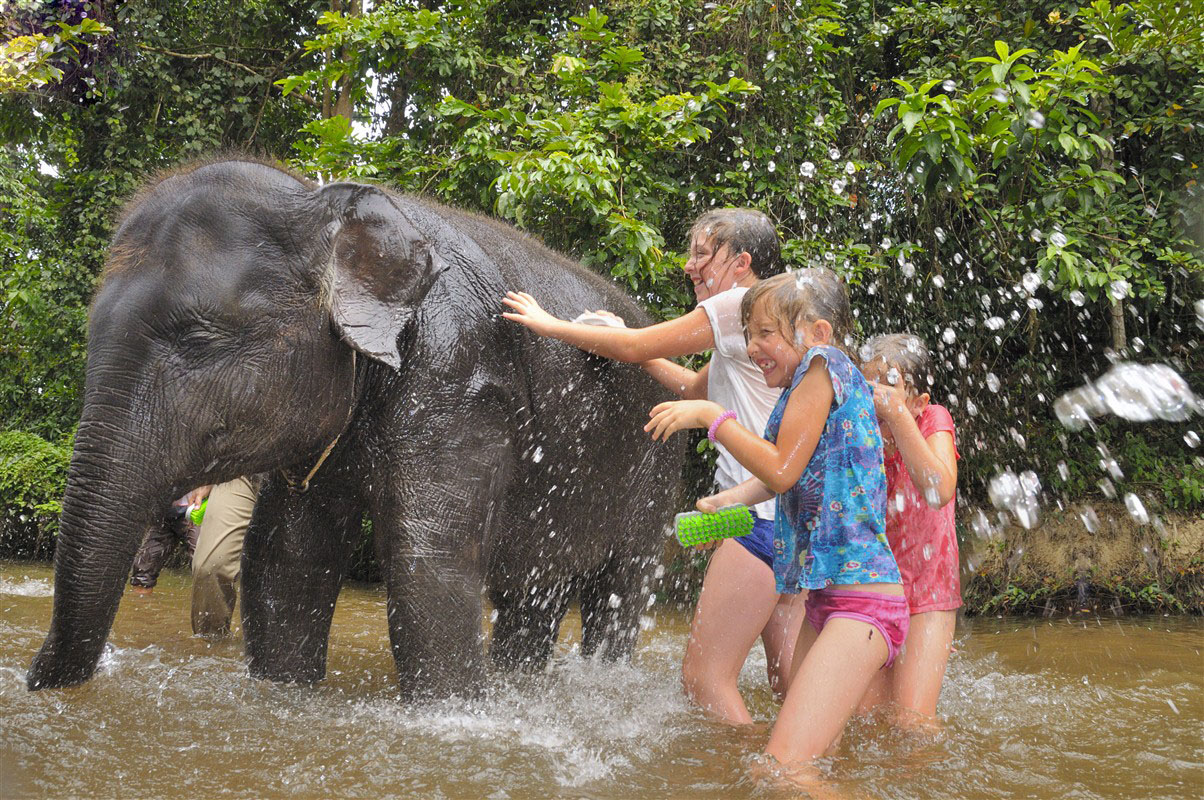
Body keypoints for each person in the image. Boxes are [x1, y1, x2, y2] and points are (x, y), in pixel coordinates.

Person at [501, 208, 805, 723]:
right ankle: (820, 764)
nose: (689, 265)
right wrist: (633, 346)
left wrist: (548, 325)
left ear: (741, 263)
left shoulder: (736, 305)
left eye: (703, 254)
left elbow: (640, 343)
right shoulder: (756, 328)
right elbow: (690, 386)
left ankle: (762, 774)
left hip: (761, 520)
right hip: (792, 515)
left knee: (704, 680)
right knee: (789, 682)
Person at [643, 268, 906, 776]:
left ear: (818, 332)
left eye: (766, 333)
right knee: (808, 762)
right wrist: (729, 503)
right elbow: (787, 470)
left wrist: (712, 417)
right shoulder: (805, 386)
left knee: (785, 770)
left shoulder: (822, 366)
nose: (754, 346)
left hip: (862, 601)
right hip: (832, 598)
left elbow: (781, 470)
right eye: (748, 334)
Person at [857, 333, 960, 727]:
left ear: (918, 401)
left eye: (890, 387)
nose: (877, 400)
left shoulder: (933, 420)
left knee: (910, 720)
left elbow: (939, 489)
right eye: (871, 386)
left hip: (928, 590)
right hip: (873, 586)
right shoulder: (859, 428)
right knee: (864, 719)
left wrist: (899, 418)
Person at [190, 476, 257, 637]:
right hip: (245, 468)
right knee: (211, 566)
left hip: (316, 467)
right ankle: (211, 650)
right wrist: (211, 473)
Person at [128, 492, 202, 595]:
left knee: (204, 563)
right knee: (143, 569)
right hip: (164, 512)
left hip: (196, 511)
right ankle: (141, 604)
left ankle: (209, 607)